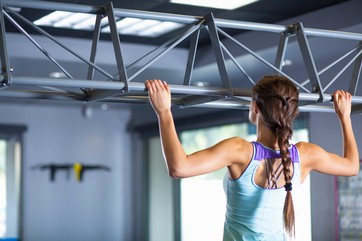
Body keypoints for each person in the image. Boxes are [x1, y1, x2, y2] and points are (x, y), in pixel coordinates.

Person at [145, 75, 359, 241]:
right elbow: (351, 166)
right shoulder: (305, 154)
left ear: (255, 107)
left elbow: (179, 167)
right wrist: (344, 116)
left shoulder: (240, 150)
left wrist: (164, 112)